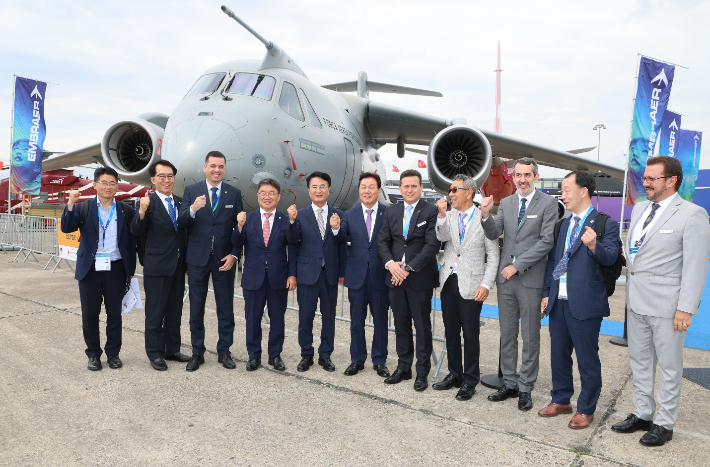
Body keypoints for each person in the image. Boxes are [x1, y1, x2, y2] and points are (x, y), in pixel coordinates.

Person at [611, 156, 710, 446]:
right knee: (639, 362)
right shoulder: (641, 208)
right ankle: (643, 412)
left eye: (652, 179)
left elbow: (695, 265)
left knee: (669, 366)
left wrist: (685, 308)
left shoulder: (692, 215)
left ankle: (664, 423)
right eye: (645, 178)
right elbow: (636, 253)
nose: (645, 183)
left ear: (671, 181)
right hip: (636, 302)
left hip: (669, 307)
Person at [539, 171, 619, 429]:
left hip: (585, 303)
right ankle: (561, 399)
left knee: (587, 358)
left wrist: (595, 245)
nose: (563, 195)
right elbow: (554, 261)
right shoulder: (562, 225)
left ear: (584, 191)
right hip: (558, 302)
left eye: (566, 189)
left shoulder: (606, 223)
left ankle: (586, 408)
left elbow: (610, 258)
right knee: (559, 356)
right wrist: (546, 293)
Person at [480, 157, 558, 411]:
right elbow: (494, 233)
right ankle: (510, 383)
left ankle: (526, 387)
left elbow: (546, 242)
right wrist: (484, 215)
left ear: (536, 176)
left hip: (530, 280)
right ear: (513, 177)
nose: (522, 179)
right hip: (506, 282)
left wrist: (517, 265)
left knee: (530, 336)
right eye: (518, 175)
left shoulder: (548, 203)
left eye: (527, 175)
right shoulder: (507, 202)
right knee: (508, 335)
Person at [60, 167, 136, 371]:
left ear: (117, 186)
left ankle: (113, 354)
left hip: (116, 268)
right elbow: (67, 228)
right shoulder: (83, 208)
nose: (108, 187)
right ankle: (93, 354)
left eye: (112, 183)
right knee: (89, 314)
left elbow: (132, 239)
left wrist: (131, 270)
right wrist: (70, 203)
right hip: (90, 269)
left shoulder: (125, 210)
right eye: (104, 182)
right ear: (95, 185)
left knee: (114, 315)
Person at [432, 175, 499, 401]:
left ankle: (470, 380)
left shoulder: (484, 217)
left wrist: (486, 284)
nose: (450, 193)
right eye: (450, 190)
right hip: (449, 280)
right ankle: (455, 374)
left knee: (471, 334)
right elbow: (441, 237)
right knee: (451, 331)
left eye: (454, 189)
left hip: (473, 284)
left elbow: (493, 254)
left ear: (469, 192)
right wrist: (441, 215)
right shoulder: (448, 216)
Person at [177, 151, 243, 372]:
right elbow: (182, 223)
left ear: (225, 169)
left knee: (225, 308)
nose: (217, 170)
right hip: (197, 259)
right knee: (196, 308)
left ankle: (224, 350)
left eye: (221, 166)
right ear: (204, 168)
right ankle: (197, 352)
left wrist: (235, 254)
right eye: (213, 166)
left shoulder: (233, 193)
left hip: (224, 259)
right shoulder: (191, 191)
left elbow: (239, 229)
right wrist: (193, 209)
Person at [377, 169, 440, 391]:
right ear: (400, 188)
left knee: (422, 326)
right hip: (394, 277)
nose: (410, 190)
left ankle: (422, 371)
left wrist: (409, 267)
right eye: (406, 186)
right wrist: (391, 265)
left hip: (419, 278)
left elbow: (432, 244)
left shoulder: (430, 211)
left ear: (421, 188)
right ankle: (404, 367)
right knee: (401, 324)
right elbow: (382, 241)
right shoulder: (391, 211)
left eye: (414, 186)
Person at [130, 160, 190, 371]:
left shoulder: (181, 203)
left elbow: (183, 234)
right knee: (155, 313)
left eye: (170, 176)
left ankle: (171, 349)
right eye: (162, 176)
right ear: (153, 179)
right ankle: (155, 353)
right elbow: (136, 232)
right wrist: (141, 212)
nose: (167, 180)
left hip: (178, 266)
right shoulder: (147, 203)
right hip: (156, 266)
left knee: (175, 311)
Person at [232, 178, 297, 372]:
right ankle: (254, 356)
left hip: (278, 277)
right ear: (257, 195)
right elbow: (236, 242)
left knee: (277, 318)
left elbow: (293, 246)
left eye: (271, 193)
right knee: (252, 318)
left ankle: (275, 355)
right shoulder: (248, 218)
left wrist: (292, 275)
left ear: (278, 196)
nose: (267, 197)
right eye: (263, 193)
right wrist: (239, 226)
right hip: (253, 277)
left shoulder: (285, 220)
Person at [330, 172, 390, 377]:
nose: (367, 191)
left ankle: (380, 360)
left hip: (381, 275)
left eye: (371, 187)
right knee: (357, 321)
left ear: (378, 190)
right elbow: (339, 240)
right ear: (359, 190)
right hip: (356, 276)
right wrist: (336, 229)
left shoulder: (388, 213)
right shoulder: (349, 214)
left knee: (381, 321)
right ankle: (357, 360)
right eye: (363, 187)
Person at [286, 171, 346, 373]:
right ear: (309, 190)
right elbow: (293, 243)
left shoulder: (338, 214)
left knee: (329, 317)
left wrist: (337, 230)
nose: (318, 190)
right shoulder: (300, 214)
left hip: (329, 274)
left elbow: (341, 244)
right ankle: (306, 354)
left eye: (322, 186)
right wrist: (292, 222)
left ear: (329, 189)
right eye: (314, 187)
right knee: (305, 317)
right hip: (306, 273)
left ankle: (325, 355)